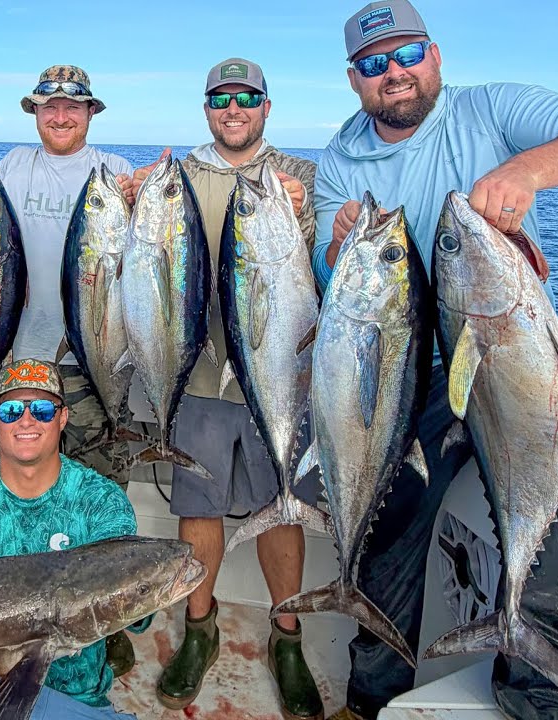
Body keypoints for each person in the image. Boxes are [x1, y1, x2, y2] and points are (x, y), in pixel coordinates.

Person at [313, 3, 558, 718]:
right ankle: (371, 691)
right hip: (413, 366)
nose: (394, 73)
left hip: (520, 351)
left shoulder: (494, 110)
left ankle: (539, 692)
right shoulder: (338, 157)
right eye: (373, 63)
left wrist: (526, 170)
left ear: (435, 55)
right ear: (354, 78)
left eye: (405, 53)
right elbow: (336, 285)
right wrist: (339, 244)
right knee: (388, 503)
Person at [131, 58, 324, 719]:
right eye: (221, 98)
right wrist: (134, 203)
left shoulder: (302, 177)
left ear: (267, 107)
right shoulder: (176, 178)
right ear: (206, 108)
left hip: (278, 376)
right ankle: (199, 627)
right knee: (199, 508)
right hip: (201, 372)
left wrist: (310, 218)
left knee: (284, 507)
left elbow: (329, 268)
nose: (233, 108)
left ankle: (288, 634)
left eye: (247, 98)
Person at [0, 64, 138, 677]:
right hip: (26, 357)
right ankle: (37, 615)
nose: (60, 115)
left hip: (98, 355)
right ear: (34, 111)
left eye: (72, 107)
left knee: (102, 489)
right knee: (31, 489)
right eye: (49, 106)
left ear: (91, 113)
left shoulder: (119, 175)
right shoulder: (10, 168)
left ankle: (107, 619)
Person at [0, 357, 145, 720]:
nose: (27, 420)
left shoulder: (103, 501)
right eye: (13, 408)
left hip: (73, 697)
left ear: (63, 418)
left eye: (44, 409)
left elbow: (134, 610)